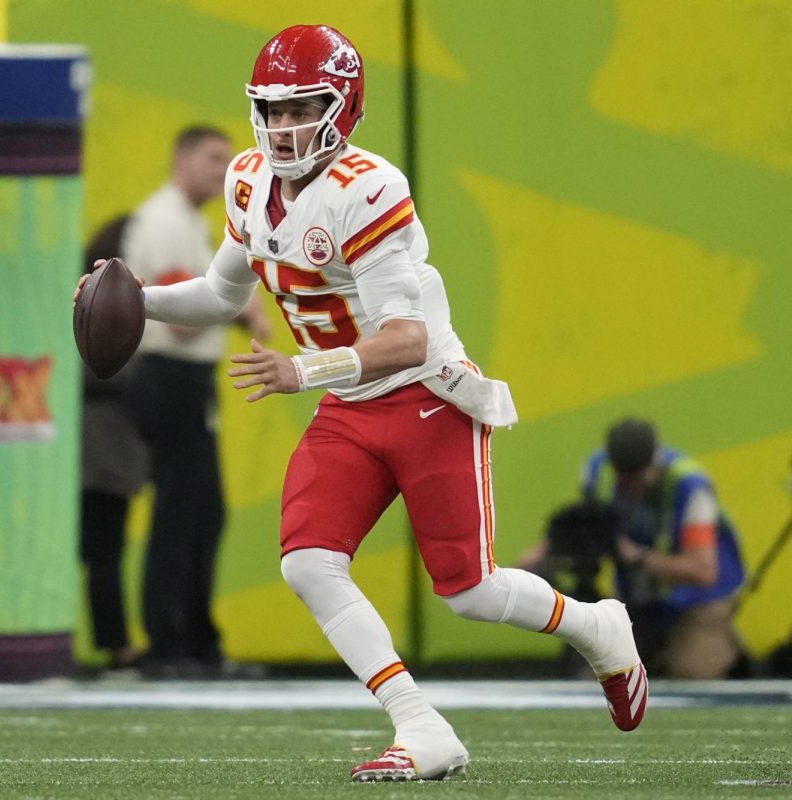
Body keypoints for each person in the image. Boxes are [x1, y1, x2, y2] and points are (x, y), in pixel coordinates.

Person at [79, 25, 647, 781]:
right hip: (350, 404)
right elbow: (222, 291)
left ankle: (599, 627)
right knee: (309, 562)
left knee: (470, 592)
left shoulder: (369, 189)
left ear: (342, 108)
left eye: (302, 108)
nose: (284, 127)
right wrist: (136, 302)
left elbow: (407, 340)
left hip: (424, 398)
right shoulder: (248, 181)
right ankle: (420, 725)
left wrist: (301, 372)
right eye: (273, 110)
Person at [122, 126, 271, 678]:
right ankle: (170, 645)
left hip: (185, 379)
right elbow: (179, 322)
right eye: (212, 158)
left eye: (227, 159)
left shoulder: (189, 222)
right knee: (182, 513)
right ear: (180, 159)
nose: (223, 169)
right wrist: (241, 310)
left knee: (201, 513)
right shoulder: (164, 221)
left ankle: (195, 642)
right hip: (169, 377)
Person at [579, 418, 746, 678]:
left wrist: (637, 558)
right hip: (637, 600)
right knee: (602, 675)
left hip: (701, 599)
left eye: (635, 476)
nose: (627, 484)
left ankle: (718, 638)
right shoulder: (598, 473)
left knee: (691, 671)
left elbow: (703, 572)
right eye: (622, 476)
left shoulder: (690, 487)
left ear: (653, 463)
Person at [79, 214, 147, 671]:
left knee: (102, 548)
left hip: (105, 447)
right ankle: (116, 644)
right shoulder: (99, 311)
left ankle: (115, 641)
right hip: (102, 448)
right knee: (103, 549)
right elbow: (106, 372)